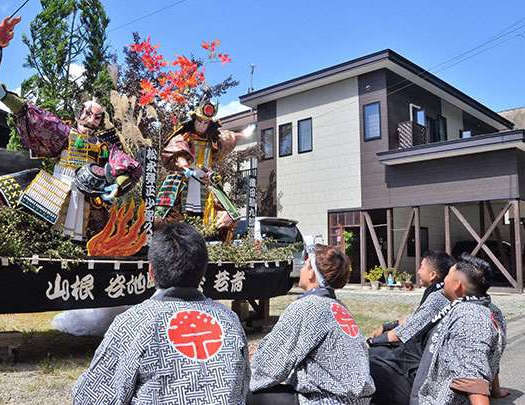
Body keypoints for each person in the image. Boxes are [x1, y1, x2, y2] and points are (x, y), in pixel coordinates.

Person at [72, 222, 250, 404]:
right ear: (203, 269)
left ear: (151, 271)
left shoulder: (134, 322)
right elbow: (244, 387)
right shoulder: (229, 320)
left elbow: (93, 397)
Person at [0, 82, 141, 240]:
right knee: (9, 196)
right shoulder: (63, 133)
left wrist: (117, 186)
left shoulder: (105, 147)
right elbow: (38, 119)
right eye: (88, 113)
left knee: (99, 232)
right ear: (78, 114)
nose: (91, 120)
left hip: (90, 194)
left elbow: (128, 165)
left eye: (97, 117)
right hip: (57, 186)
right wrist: (6, 97)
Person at [248, 243, 375, 405]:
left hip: (327, 400)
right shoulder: (338, 306)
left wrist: (248, 373)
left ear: (312, 274)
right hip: (356, 400)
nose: (301, 269)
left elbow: (272, 362)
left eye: (306, 264)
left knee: (249, 394)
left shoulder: (308, 306)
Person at [410, 253, 507, 405]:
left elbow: (473, 381)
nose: (444, 280)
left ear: (457, 285)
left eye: (448, 275)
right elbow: (487, 356)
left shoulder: (469, 315)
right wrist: (496, 390)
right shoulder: (491, 309)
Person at [367, 251, 454, 404]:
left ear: (433, 274)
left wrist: (369, 342)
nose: (418, 271)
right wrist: (388, 325)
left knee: (372, 356)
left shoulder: (438, 296)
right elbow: (414, 319)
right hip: (425, 355)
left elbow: (402, 334)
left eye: (421, 267)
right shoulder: (437, 291)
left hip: (418, 361)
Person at [155, 99, 241, 239]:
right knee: (164, 216)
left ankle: (212, 242)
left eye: (206, 122)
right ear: (194, 119)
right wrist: (185, 167)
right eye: (199, 121)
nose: (202, 125)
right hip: (183, 179)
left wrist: (244, 134)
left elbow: (230, 137)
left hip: (206, 181)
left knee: (229, 215)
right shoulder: (184, 136)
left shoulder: (213, 139)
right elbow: (177, 151)